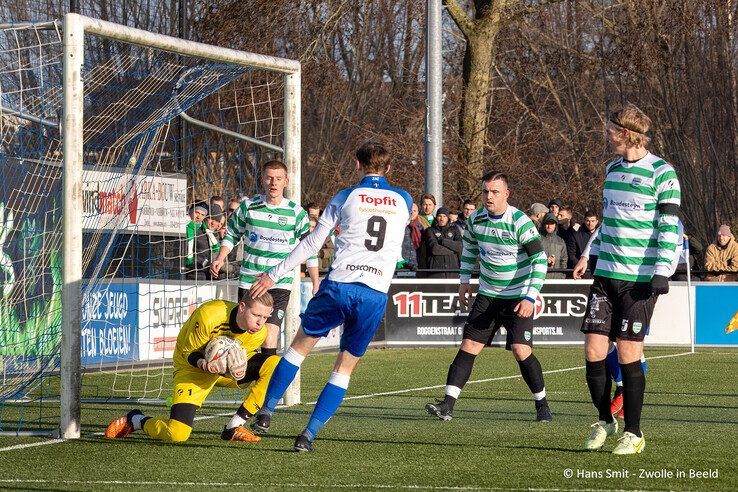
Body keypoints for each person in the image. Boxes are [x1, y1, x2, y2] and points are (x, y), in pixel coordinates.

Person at [248, 142, 412, 452]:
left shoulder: (344, 196)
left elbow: (312, 244)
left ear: (357, 164)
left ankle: (267, 410)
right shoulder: (404, 200)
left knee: (298, 350)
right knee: (344, 368)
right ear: (388, 169)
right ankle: (307, 435)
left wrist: (273, 273)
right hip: (374, 293)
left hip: (339, 284)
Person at [573, 103, 681, 455]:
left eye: (611, 130)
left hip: (639, 280)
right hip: (605, 274)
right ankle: (605, 420)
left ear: (626, 133)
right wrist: (590, 252)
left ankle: (633, 433)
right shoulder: (611, 169)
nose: (607, 135)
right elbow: (609, 221)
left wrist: (663, 271)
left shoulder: (663, 174)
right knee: (593, 350)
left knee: (631, 353)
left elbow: (668, 228)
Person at [425, 172, 552, 423]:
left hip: (517, 297)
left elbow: (539, 260)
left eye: (494, 192)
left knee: (520, 350)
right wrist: (464, 282)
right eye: (485, 191)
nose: (489, 196)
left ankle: (542, 405)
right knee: (469, 346)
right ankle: (447, 405)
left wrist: (530, 297)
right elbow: (470, 251)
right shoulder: (476, 220)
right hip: (487, 295)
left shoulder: (520, 222)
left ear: (506, 194)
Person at [104, 292, 279, 443]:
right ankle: (135, 420)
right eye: (256, 315)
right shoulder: (210, 315)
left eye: (265, 318)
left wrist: (234, 369)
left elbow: (238, 359)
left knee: (275, 365)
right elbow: (189, 352)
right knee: (177, 434)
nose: (260, 323)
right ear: (242, 307)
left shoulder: (259, 334)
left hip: (220, 371)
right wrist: (206, 364)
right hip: (192, 368)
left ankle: (234, 426)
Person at [210, 161, 320, 356]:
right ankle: (243, 373)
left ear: (286, 181)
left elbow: (309, 249)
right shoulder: (248, 207)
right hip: (250, 280)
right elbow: (232, 235)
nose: (273, 183)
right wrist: (220, 257)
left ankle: (266, 383)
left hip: (279, 282)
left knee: (270, 333)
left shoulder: (297, 213)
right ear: (262, 180)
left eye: (278, 179)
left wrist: (315, 281)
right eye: (269, 178)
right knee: (248, 333)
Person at [187, 203, 224, 281]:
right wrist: (203, 263)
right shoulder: (196, 232)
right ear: (206, 217)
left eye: (217, 220)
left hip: (212, 274)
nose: (213, 223)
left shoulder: (216, 236)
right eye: (211, 218)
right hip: (196, 274)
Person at [422, 207, 462, 278]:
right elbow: (434, 249)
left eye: (444, 216)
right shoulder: (430, 230)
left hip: (453, 271)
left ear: (448, 218)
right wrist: (453, 250)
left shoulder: (454, 230)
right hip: (436, 271)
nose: (442, 218)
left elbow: (460, 246)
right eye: (439, 216)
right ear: (436, 217)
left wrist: (444, 242)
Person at [539, 213, 567, 279]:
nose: (549, 226)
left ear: (555, 225)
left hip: (557, 279)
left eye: (552, 224)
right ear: (543, 224)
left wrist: (562, 277)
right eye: (547, 223)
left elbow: (564, 260)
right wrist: (545, 261)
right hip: (541, 278)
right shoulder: (537, 239)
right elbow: (533, 258)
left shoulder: (560, 241)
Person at [184, 201, 208, 271]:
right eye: (197, 213)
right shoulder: (181, 227)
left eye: (202, 215)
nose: (199, 217)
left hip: (195, 271)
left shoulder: (205, 232)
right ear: (190, 211)